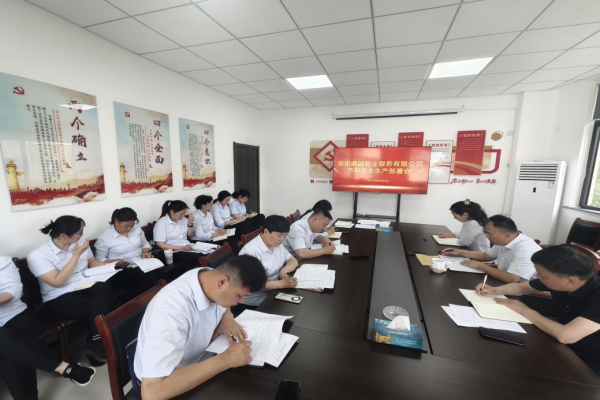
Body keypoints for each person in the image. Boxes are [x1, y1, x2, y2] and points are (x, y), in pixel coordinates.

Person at [134, 256, 267, 400]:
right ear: (222, 282)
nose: (240, 301)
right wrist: (226, 359)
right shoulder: (172, 311)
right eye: (239, 296)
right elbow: (152, 393)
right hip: (170, 384)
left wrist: (227, 316)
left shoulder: (208, 276)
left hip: (202, 361)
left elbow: (225, 299)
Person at [475, 245, 600, 375]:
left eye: (543, 275)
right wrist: (494, 290)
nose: (537, 276)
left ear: (571, 281)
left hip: (590, 359)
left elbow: (566, 335)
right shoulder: (559, 280)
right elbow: (522, 288)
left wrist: (524, 309)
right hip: (561, 343)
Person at [1, 256, 96, 400]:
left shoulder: (2, 261)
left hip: (14, 315)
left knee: (8, 347)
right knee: (6, 341)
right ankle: (66, 368)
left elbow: (13, 291)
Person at [27, 216, 116, 366]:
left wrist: (108, 265)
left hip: (84, 285)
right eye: (79, 232)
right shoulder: (38, 255)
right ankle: (99, 343)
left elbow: (92, 262)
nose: (82, 235)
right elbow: (57, 282)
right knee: (99, 305)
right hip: (58, 297)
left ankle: (96, 344)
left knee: (105, 286)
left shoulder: (79, 243)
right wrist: (75, 256)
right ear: (64, 235)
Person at [442, 215, 541, 283]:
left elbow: (512, 278)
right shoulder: (503, 241)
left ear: (506, 235)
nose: (487, 237)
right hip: (504, 282)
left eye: (489, 234)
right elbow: (486, 256)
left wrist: (481, 265)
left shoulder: (525, 249)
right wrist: (459, 252)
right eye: (486, 233)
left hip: (526, 293)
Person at [95, 207, 164, 300]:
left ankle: (156, 297)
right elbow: (99, 260)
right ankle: (157, 297)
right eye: (126, 226)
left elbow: (145, 243)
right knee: (150, 274)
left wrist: (145, 252)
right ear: (116, 221)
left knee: (155, 268)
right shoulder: (104, 238)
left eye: (132, 225)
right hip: (122, 269)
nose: (129, 228)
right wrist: (114, 261)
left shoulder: (137, 230)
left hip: (142, 262)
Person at [236, 215, 298, 314]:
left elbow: (292, 260)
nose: (282, 240)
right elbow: (254, 284)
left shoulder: (276, 244)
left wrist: (284, 270)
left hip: (273, 289)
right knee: (290, 309)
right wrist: (282, 284)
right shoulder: (250, 252)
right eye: (279, 236)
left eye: (285, 236)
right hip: (254, 297)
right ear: (266, 231)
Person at [153, 200, 199, 265]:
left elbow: (190, 234)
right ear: (172, 212)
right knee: (199, 257)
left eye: (184, 213)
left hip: (188, 246)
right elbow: (160, 244)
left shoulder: (183, 219)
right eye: (181, 214)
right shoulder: (161, 223)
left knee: (209, 253)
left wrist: (190, 223)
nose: (183, 216)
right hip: (174, 251)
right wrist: (182, 248)